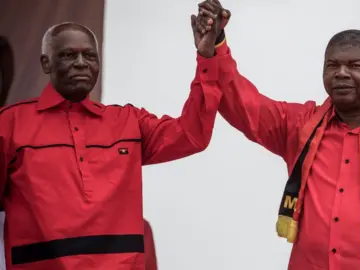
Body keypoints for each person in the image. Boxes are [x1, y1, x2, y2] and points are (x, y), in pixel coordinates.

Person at [192, 1, 360, 269]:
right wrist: (214, 48)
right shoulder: (301, 126)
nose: (341, 74)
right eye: (332, 65)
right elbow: (242, 105)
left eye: (355, 66)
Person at [0, 19, 224, 269]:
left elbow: (192, 134)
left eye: (90, 55)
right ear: (46, 62)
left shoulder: (128, 121)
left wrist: (207, 57)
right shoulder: (10, 125)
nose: (81, 63)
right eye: (68, 55)